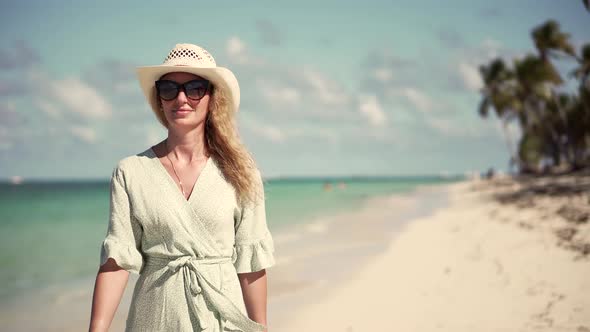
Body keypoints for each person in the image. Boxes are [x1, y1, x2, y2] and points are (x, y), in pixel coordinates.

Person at [89, 43, 276, 332]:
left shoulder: (242, 172)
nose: (181, 98)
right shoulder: (131, 172)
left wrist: (262, 328)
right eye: (168, 89)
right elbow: (117, 262)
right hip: (154, 318)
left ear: (212, 97)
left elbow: (251, 263)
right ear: (159, 99)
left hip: (222, 319)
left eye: (194, 88)